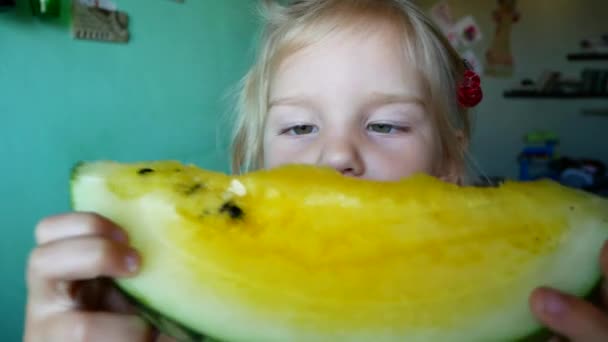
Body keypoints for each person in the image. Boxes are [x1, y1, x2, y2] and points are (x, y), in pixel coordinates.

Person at [24, 0, 608, 341]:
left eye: (386, 126)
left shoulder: (527, 315)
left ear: (449, 163)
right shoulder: (195, 323)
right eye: (299, 128)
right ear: (252, 164)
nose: (336, 156)